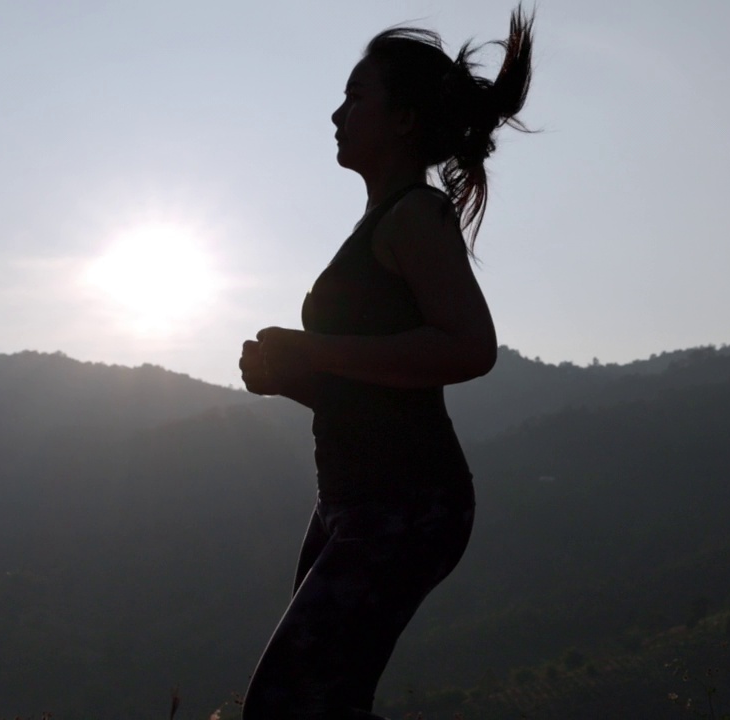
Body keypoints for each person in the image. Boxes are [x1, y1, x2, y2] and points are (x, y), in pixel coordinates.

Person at [236, 8, 533, 718]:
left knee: (285, 702)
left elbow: (468, 347)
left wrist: (312, 349)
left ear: (402, 120)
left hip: (407, 503)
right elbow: (382, 382)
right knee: (326, 700)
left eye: (356, 96)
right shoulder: (381, 220)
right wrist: (296, 382)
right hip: (352, 500)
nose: (338, 113)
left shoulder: (415, 215)